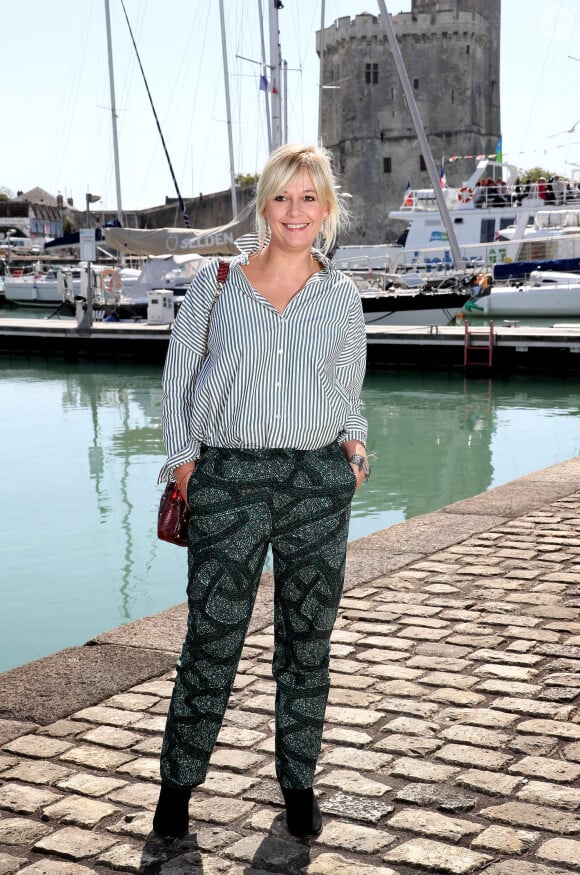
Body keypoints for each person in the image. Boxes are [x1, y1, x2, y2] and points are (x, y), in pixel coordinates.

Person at [153, 143, 369, 841]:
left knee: (307, 643)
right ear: (264, 204)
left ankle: (299, 783)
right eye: (282, 197)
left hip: (315, 482)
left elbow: (349, 388)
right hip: (228, 482)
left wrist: (355, 449)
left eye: (309, 198)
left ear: (327, 208)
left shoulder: (341, 295)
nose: (295, 211)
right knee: (212, 640)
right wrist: (185, 466)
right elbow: (176, 381)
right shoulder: (216, 284)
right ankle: (177, 788)